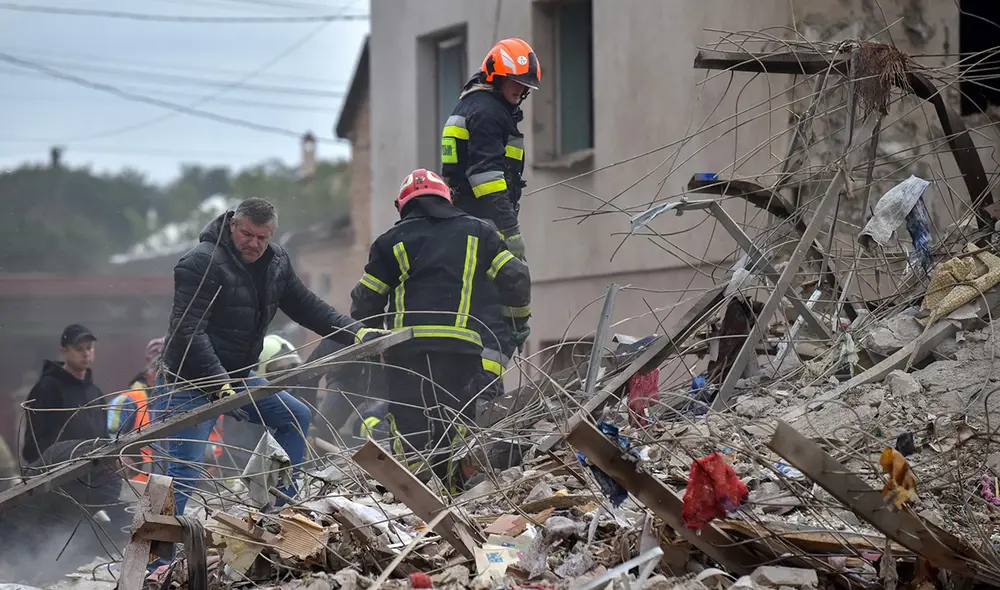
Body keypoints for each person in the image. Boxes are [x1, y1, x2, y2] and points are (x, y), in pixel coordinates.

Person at [158, 197, 385, 514]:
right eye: (247, 235)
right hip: (189, 381)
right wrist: (218, 381)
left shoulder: (276, 262)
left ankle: (281, 511)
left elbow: (308, 308)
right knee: (184, 470)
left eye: (262, 238)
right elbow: (188, 331)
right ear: (233, 225)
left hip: (236, 376)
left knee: (295, 417)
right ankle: (159, 560)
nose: (254, 244)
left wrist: (357, 332)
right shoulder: (200, 263)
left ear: (272, 234)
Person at [350, 169, 531, 492]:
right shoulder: (480, 232)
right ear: (447, 198)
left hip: (407, 354)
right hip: (460, 352)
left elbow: (364, 303)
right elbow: (516, 278)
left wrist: (374, 335)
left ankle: (415, 501)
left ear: (402, 205)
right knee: (457, 423)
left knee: (410, 427)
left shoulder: (390, 242)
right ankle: (456, 494)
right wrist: (518, 322)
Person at [440, 38, 539, 399]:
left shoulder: (475, 105)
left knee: (481, 313)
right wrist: (510, 232)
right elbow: (486, 178)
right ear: (496, 75)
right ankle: (482, 396)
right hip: (483, 226)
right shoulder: (488, 112)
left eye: (526, 84)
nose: (523, 89)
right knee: (496, 312)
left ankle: (476, 393)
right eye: (517, 81)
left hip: (466, 224)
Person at [22, 324, 108, 464]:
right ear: (63, 351)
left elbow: (103, 437)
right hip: (57, 475)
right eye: (78, 349)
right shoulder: (47, 388)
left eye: (89, 348)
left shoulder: (96, 393)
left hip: (92, 476)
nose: (85, 353)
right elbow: (36, 442)